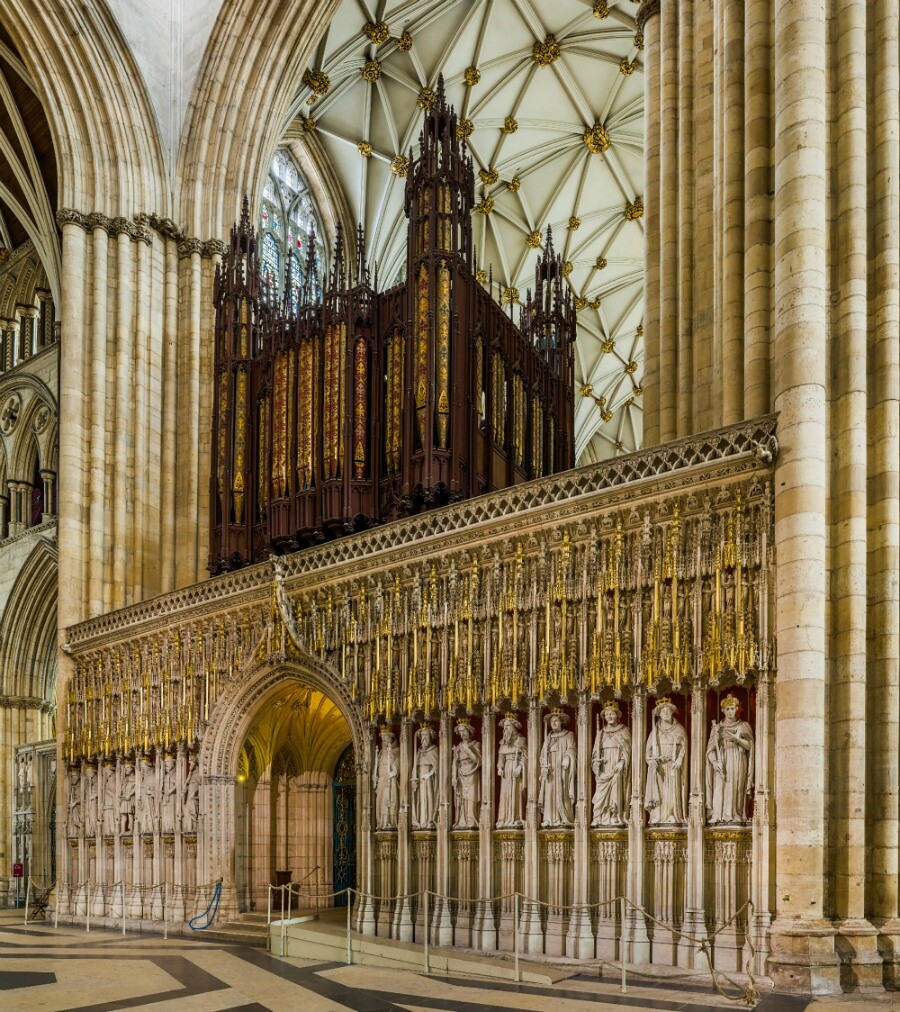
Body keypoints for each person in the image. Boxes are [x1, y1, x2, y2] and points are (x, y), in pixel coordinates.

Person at [706, 694, 754, 824]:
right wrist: (715, 762)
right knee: (720, 786)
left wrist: (737, 739)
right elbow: (710, 749)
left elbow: (750, 746)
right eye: (727, 709)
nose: (730, 712)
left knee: (737, 786)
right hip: (723, 759)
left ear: (737, 709)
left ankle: (737, 815)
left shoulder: (743, 726)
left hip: (738, 759)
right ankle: (718, 814)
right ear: (723, 710)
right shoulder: (717, 728)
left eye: (732, 708)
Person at [644, 696, 687, 825]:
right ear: (659, 714)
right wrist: (651, 760)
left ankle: (672, 814)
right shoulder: (655, 731)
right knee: (659, 789)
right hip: (659, 766)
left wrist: (680, 758)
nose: (666, 713)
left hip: (673, 764)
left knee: (672, 790)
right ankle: (658, 815)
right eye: (663, 711)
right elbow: (648, 751)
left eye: (668, 710)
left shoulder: (679, 729)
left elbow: (684, 747)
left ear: (672, 711)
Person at [591, 700, 631, 827]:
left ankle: (615, 814)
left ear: (617, 715)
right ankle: (598, 816)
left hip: (617, 766)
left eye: (612, 714)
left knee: (616, 789)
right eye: (607, 714)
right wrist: (596, 763)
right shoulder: (601, 733)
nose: (610, 716)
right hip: (604, 767)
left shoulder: (624, 730)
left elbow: (629, 750)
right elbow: (595, 753)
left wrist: (623, 761)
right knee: (599, 793)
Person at [538, 709, 576, 827]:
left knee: (562, 792)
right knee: (549, 792)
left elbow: (572, 749)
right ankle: (549, 819)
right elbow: (543, 754)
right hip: (551, 770)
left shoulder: (569, 735)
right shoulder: (548, 737)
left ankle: (563, 817)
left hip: (563, 770)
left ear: (561, 722)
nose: (553, 723)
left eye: (556, 721)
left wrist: (567, 758)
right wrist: (544, 765)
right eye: (552, 721)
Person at [496, 713, 526, 828]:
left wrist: (521, 766)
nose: (505, 729)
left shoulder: (521, 740)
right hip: (507, 770)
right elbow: (501, 757)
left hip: (516, 768)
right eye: (504, 727)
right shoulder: (503, 742)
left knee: (516, 793)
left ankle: (516, 818)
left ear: (514, 726)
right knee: (505, 794)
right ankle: (504, 818)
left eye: (507, 726)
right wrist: (500, 767)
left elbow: (526, 756)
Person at [451, 718, 481, 829]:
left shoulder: (476, 744)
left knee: (471, 796)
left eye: (464, 731)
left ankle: (471, 819)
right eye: (460, 732)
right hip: (461, 773)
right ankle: (461, 820)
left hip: (472, 772)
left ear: (469, 731)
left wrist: (467, 749)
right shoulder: (458, 747)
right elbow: (455, 763)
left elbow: (478, 760)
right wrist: (454, 776)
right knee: (461, 798)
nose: (462, 734)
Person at [411, 724, 439, 829]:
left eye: (426, 736)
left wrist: (429, 774)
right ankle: (421, 820)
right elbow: (415, 766)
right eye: (422, 736)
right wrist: (415, 778)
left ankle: (430, 820)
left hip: (429, 779)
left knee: (429, 798)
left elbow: (437, 766)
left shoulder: (434, 750)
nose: (424, 739)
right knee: (421, 800)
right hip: (421, 779)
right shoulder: (419, 751)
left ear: (430, 737)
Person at [373, 729, 400, 830]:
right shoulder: (380, 753)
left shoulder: (396, 751)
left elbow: (397, 768)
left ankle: (389, 822)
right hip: (381, 781)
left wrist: (393, 772)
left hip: (389, 781)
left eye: (386, 738)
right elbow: (377, 766)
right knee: (380, 801)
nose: (384, 740)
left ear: (392, 739)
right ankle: (381, 823)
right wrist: (374, 776)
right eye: (382, 739)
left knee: (387, 801)